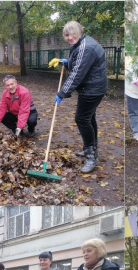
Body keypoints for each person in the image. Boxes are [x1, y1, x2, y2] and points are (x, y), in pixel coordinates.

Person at [53, 21, 107, 174]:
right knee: (89, 118)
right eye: (66, 35)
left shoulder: (86, 47)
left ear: (78, 31)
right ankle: (90, 148)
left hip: (92, 90)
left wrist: (62, 93)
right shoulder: (82, 43)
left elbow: (77, 74)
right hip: (93, 87)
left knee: (82, 119)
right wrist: (67, 62)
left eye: (71, 34)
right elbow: (79, 64)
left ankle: (92, 156)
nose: (69, 38)